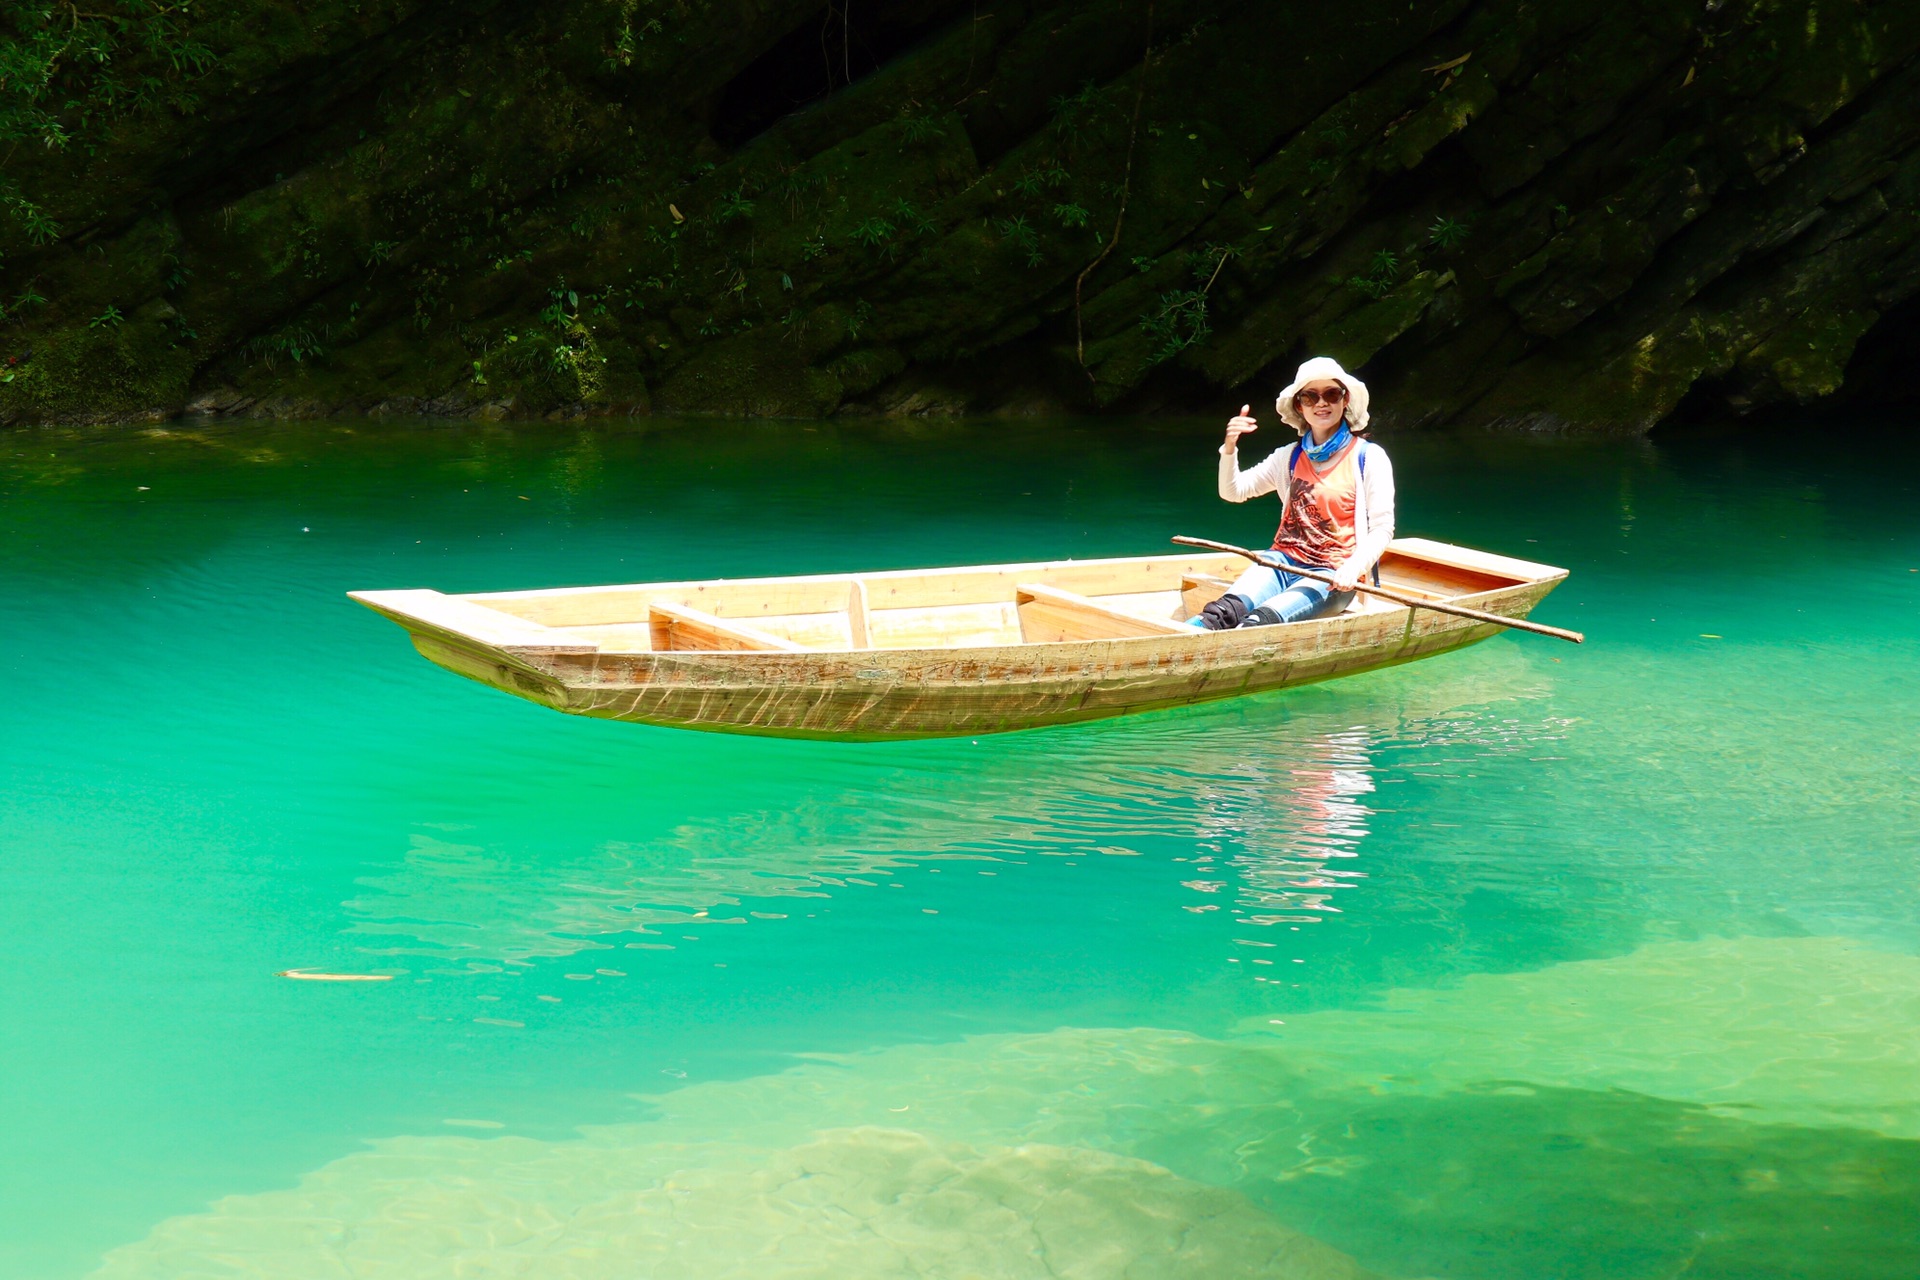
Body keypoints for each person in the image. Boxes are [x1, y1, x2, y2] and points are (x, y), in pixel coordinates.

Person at [1191, 356, 1396, 629]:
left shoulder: (1369, 457)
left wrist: (1353, 569)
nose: (1321, 403)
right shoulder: (1288, 457)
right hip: (1280, 563)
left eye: (1331, 394)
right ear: (1300, 406)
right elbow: (1233, 492)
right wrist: (1229, 448)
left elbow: (1382, 528)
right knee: (1222, 614)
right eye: (1310, 397)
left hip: (1332, 576)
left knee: (1257, 623)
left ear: (1345, 400)